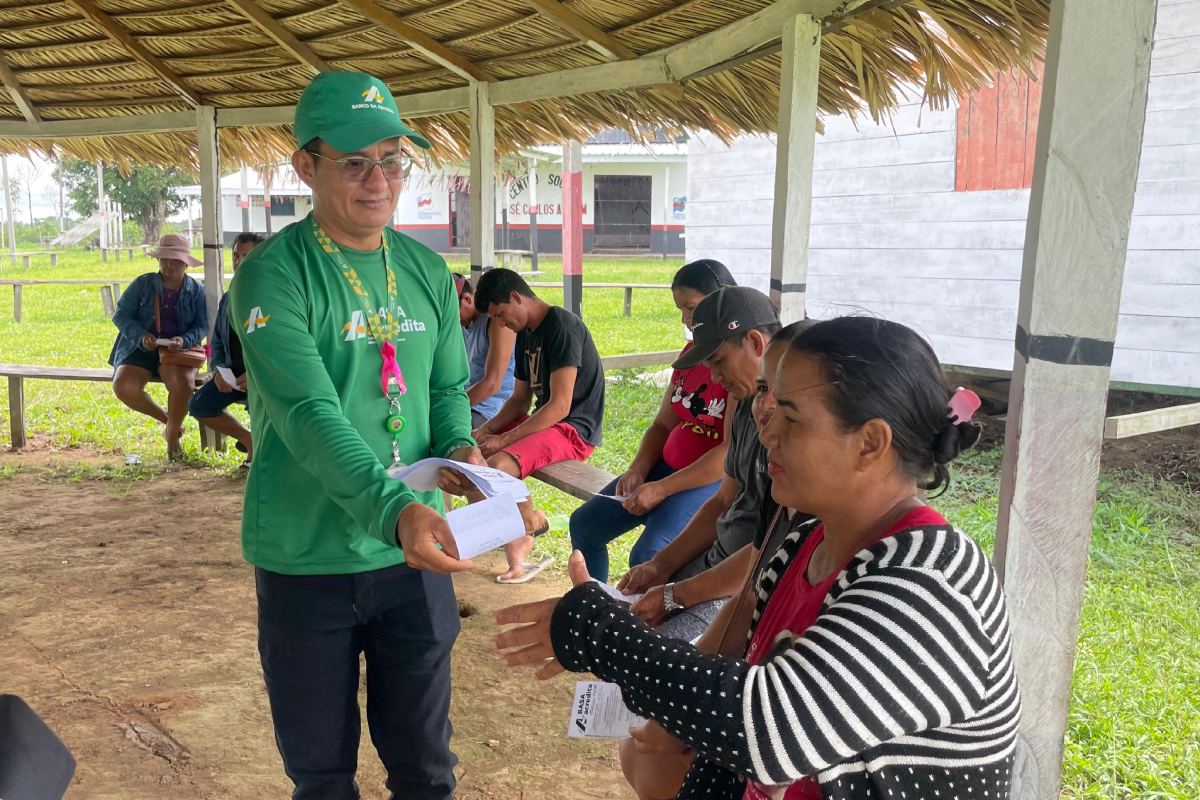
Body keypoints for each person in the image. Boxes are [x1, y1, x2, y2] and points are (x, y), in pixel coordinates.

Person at [496, 315, 1020, 800]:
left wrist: (599, 632)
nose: (766, 430)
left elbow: (772, 728)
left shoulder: (932, 580)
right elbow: (738, 686)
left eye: (791, 418)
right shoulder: (805, 542)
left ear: (869, 442)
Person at [227, 70, 489, 800]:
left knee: (426, 769)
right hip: (307, 557)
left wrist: (461, 452)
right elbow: (307, 414)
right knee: (321, 776)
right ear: (304, 166)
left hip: (415, 556)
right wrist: (395, 509)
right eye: (353, 162)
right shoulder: (273, 276)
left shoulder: (425, 270)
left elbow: (444, 390)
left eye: (392, 160)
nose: (379, 181)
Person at [618, 286, 780, 641]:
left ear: (755, 343)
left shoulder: (792, 426)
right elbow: (722, 501)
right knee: (625, 619)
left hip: (747, 585)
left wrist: (676, 595)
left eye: (719, 361)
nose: (715, 378)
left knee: (649, 652)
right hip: (717, 561)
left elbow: (770, 551)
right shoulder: (746, 405)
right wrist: (660, 566)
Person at [568, 259, 737, 584]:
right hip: (665, 469)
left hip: (708, 482)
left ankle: (646, 617)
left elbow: (728, 452)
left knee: (649, 555)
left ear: (722, 300)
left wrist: (663, 489)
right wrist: (638, 469)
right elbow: (662, 424)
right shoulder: (691, 353)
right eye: (681, 310)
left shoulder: (735, 364)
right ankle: (595, 602)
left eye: (691, 308)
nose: (686, 319)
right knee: (585, 525)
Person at [471, 267, 606, 583]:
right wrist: (486, 430)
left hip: (573, 431)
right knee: (473, 455)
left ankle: (528, 522)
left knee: (499, 466)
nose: (501, 323)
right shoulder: (525, 334)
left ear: (516, 297)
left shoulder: (561, 325)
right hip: (548, 422)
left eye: (500, 314)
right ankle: (520, 533)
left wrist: (505, 440)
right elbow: (520, 400)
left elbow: (560, 406)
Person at [108, 233, 208, 460]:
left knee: (183, 384)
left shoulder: (196, 290)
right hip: (141, 347)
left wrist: (184, 340)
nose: (169, 266)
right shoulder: (143, 284)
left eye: (175, 261)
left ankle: (172, 437)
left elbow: (202, 326)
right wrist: (141, 336)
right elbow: (121, 315)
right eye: (164, 260)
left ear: (186, 263)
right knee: (124, 387)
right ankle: (170, 421)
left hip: (177, 351)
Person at [188, 232, 262, 466]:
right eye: (236, 256)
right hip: (233, 377)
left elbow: (284, 348)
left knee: (262, 405)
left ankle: (258, 458)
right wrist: (219, 370)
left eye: (247, 255)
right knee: (199, 404)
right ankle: (250, 440)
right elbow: (217, 341)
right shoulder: (228, 298)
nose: (239, 261)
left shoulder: (274, 296)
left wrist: (256, 375)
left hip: (264, 378)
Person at [453, 272, 516, 429]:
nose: (451, 319)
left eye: (452, 313)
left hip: (491, 409)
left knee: (449, 433)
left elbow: (492, 384)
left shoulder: (496, 321)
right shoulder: (463, 324)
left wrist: (453, 407)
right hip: (468, 402)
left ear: (467, 300)